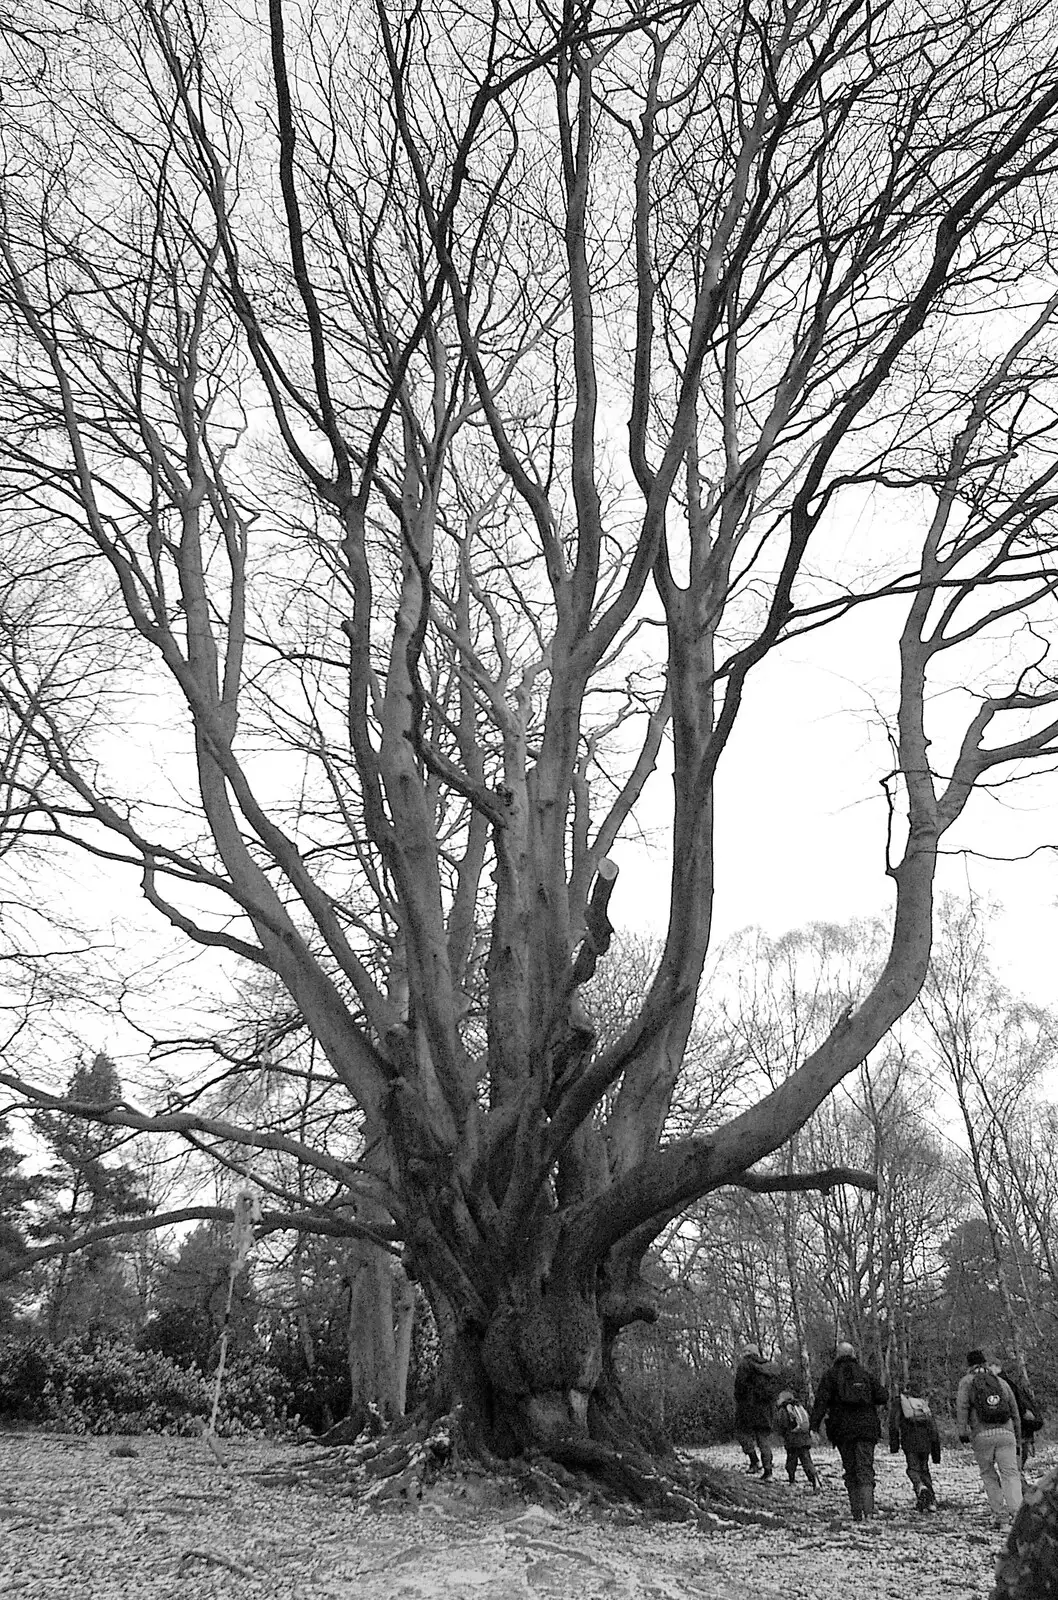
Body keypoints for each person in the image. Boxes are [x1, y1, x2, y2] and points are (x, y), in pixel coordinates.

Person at [809, 1340, 887, 1520]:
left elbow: (820, 1403)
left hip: (842, 1430)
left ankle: (856, 1512)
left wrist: (814, 1427)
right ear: (853, 1355)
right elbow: (883, 1396)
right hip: (867, 1429)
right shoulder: (865, 1374)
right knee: (865, 1468)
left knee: (850, 1469)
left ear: (837, 1355)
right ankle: (869, 1511)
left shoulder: (830, 1376)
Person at [956, 1348, 1023, 1525]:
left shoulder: (966, 1382)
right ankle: (1017, 1516)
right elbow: (1014, 1411)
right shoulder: (1000, 1382)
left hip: (982, 1434)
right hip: (1006, 1433)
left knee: (988, 1474)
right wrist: (1017, 1437)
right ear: (985, 1363)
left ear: (968, 1365)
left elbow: (962, 1408)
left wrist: (962, 1432)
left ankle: (1000, 1516)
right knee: (1010, 1474)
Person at [733, 1341, 781, 1479]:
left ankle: (754, 1461)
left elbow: (739, 1387)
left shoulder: (745, 1365)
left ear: (748, 1352)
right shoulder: (768, 1367)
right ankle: (768, 1471)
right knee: (763, 1440)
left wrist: (741, 1401)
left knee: (741, 1433)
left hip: (748, 1408)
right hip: (766, 1410)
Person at [888, 1388, 942, 1511]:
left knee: (912, 1469)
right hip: (926, 1441)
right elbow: (933, 1428)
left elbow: (894, 1424)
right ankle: (931, 1502)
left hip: (909, 1441)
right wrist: (936, 1453)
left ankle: (920, 1487)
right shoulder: (922, 1404)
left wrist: (894, 1445)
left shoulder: (900, 1403)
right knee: (924, 1469)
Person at [990, 1361, 1044, 1471]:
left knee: (1012, 1463)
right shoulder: (1009, 1383)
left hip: (1015, 1428)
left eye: (990, 1367)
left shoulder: (1000, 1384)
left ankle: (1014, 1484)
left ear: (996, 1367)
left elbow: (1016, 1406)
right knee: (1016, 1461)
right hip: (1022, 1428)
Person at [776, 1387, 821, 1490]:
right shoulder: (799, 1407)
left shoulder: (783, 1410)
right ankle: (815, 1480)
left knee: (791, 1462)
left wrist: (783, 1435)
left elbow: (782, 1425)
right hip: (804, 1439)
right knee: (807, 1461)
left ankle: (792, 1481)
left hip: (792, 1441)